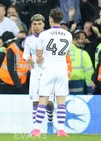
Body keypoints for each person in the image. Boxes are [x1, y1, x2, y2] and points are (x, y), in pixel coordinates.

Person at [31, 8, 72, 138]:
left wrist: (40, 57)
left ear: (50, 19)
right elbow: (67, 54)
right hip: (62, 70)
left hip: (48, 69)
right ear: (61, 20)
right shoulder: (68, 35)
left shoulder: (44, 35)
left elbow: (38, 54)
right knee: (61, 100)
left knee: (43, 99)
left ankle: (37, 130)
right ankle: (60, 130)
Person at [23, 15, 54, 133]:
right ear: (31, 25)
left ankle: (50, 121)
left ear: (43, 24)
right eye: (34, 24)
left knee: (49, 103)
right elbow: (25, 54)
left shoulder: (49, 37)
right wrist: (28, 59)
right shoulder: (29, 40)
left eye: (39, 24)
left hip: (48, 71)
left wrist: (43, 57)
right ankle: (36, 129)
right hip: (35, 72)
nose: (37, 26)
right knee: (35, 101)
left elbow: (54, 52)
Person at [0, 30, 29, 94]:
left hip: (21, 82)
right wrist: (19, 86)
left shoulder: (31, 49)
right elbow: (11, 68)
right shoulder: (12, 49)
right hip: (7, 82)